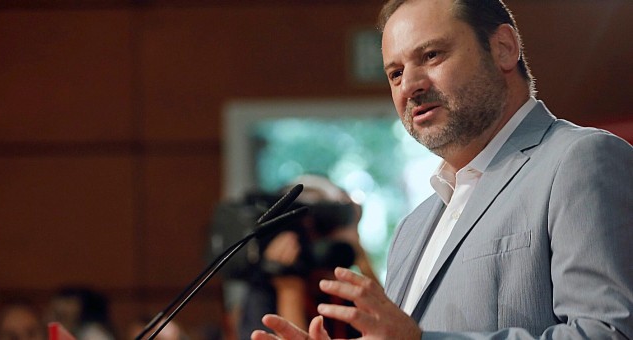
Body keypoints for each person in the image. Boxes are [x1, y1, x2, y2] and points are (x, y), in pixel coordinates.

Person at [250, 0, 633, 339]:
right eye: (396, 73)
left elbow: (608, 333)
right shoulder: (412, 228)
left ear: (503, 48)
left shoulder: (580, 160)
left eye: (431, 55)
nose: (411, 86)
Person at [240, 175, 379, 339]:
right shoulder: (265, 291)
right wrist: (289, 290)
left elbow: (391, 328)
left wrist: (359, 258)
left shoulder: (343, 294)